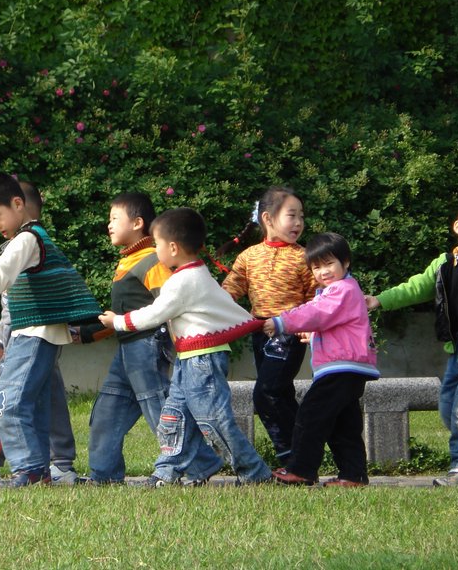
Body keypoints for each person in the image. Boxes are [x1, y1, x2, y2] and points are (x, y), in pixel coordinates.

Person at [99, 207, 272, 486]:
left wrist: (117, 321)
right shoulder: (194, 274)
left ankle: (255, 473)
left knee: (214, 421)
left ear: (173, 247)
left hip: (201, 361)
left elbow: (155, 314)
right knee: (173, 417)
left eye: (156, 245)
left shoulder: (184, 281)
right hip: (190, 360)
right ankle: (166, 473)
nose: (156, 251)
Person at [0, 171, 101, 487]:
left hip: (33, 337)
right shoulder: (35, 238)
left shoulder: (26, 238)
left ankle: (29, 470)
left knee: (7, 402)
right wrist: (0, 337)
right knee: (35, 405)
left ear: (17, 203)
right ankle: (41, 470)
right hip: (34, 335)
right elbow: (16, 298)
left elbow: (1, 272)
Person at [366, 200, 458, 487]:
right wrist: (379, 300)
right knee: (448, 410)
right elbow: (415, 287)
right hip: (457, 348)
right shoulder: (443, 263)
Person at [79, 193, 222, 485]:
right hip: (127, 350)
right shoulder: (130, 260)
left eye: (114, 218)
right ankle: (103, 474)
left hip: (147, 347)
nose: (108, 225)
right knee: (108, 409)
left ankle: (200, 466)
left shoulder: (150, 261)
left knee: (160, 410)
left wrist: (179, 346)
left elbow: (171, 304)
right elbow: (125, 312)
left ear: (138, 223)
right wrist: (88, 334)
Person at [264, 233, 379, 487]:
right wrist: (313, 334)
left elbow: (318, 313)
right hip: (349, 366)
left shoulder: (342, 290)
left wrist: (282, 322)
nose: (323, 272)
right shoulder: (344, 289)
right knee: (343, 424)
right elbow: (331, 322)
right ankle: (353, 475)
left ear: (345, 262)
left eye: (329, 264)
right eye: (316, 267)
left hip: (341, 367)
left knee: (310, 414)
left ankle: (301, 469)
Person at [219, 186, 317, 466]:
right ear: (268, 218)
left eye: (301, 216)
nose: (298, 222)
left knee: (266, 393)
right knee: (281, 393)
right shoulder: (248, 257)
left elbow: (315, 300)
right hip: (260, 335)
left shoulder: (305, 257)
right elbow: (229, 291)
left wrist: (309, 327)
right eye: (292, 215)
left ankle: (291, 456)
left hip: (289, 335)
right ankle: (303, 457)